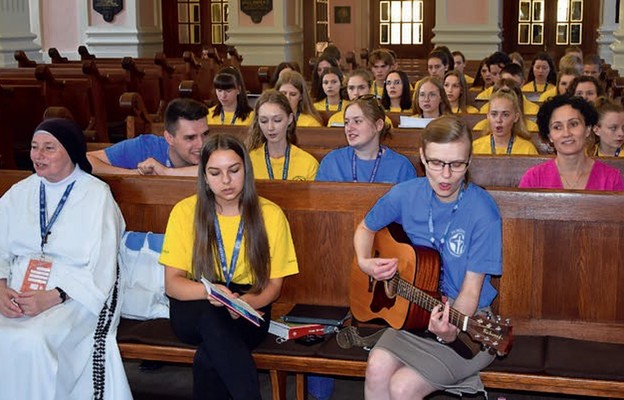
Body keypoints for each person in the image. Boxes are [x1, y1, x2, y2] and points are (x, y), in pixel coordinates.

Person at [354, 115, 503, 399]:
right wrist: (364, 261)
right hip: (415, 314)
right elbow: (365, 228)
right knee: (376, 366)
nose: (446, 175)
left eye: (457, 164)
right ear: (422, 156)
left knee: (402, 387)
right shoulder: (405, 194)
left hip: (469, 324)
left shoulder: (483, 211)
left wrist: (451, 330)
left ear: (469, 161)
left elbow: (471, 292)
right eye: (436, 163)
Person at [160, 133, 299, 399]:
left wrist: (243, 303)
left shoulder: (270, 214)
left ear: (246, 169)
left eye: (234, 170)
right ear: (204, 176)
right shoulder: (184, 211)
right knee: (211, 318)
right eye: (215, 173)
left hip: (250, 301)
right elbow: (173, 283)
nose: (226, 181)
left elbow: (274, 286)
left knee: (209, 357)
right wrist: (211, 293)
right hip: (196, 299)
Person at [0, 118, 131, 399]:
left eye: (49, 148)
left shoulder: (97, 195)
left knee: (34, 340)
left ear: (70, 152)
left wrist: (54, 296)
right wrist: (0, 288)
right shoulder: (19, 193)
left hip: (75, 292)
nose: (38, 155)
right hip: (17, 285)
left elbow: (103, 267)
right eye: (35, 147)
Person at [519, 95, 624, 191]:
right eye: (557, 127)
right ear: (550, 136)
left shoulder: (612, 179)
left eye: (573, 124)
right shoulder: (533, 178)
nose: (566, 133)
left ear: (587, 129)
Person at [87, 98, 209, 176]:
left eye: (204, 134)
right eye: (190, 138)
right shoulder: (143, 147)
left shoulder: (213, 148)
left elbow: (214, 170)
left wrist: (166, 172)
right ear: (169, 138)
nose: (201, 144)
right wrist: (134, 174)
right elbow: (86, 160)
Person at [316, 95, 417, 183]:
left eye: (357, 121)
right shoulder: (332, 162)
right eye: (346, 122)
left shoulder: (401, 167)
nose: (349, 128)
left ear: (378, 125)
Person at [246, 90, 319, 180]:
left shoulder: (309, 163)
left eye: (277, 120)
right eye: (264, 121)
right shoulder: (248, 160)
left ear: (290, 119)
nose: (270, 127)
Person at [472, 88, 538, 155]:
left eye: (505, 115)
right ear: (488, 116)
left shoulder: (527, 149)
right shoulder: (475, 147)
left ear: (515, 117)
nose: (499, 120)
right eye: (494, 114)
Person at [327, 69, 394, 127]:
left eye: (361, 87)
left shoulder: (383, 119)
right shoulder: (335, 119)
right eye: (351, 88)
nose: (356, 93)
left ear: (370, 89)